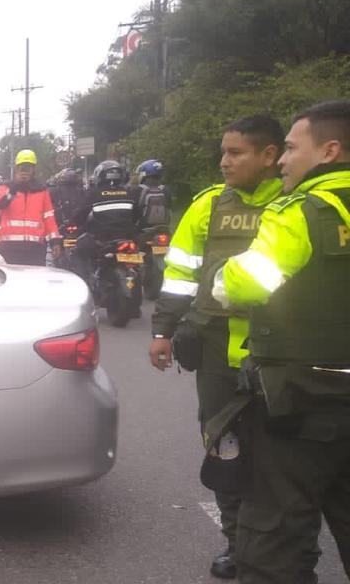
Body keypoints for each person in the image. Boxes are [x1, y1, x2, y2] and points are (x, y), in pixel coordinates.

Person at [214, 100, 350, 584]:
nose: (285, 160)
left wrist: (223, 280)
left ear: (330, 150)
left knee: (274, 542)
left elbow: (244, 283)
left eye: (293, 148)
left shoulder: (300, 212)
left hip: (303, 405)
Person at [148, 115, 288, 580]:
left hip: (278, 355)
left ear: (269, 156)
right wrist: (162, 332)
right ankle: (236, 542)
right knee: (224, 448)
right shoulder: (208, 205)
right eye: (223, 152)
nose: (224, 162)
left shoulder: (295, 206)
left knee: (280, 453)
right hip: (214, 354)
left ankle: (276, 542)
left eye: (236, 153)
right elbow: (180, 274)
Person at [0, 150, 61, 266]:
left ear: (34, 169)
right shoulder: (5, 187)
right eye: (22, 167)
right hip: (9, 247)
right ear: (17, 168)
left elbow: (49, 218)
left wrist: (55, 241)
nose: (25, 171)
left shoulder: (42, 190)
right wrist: (13, 189)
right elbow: (0, 205)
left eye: (28, 167)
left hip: (35, 248)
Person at [137, 159, 173, 228]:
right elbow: (170, 209)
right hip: (163, 228)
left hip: (143, 228)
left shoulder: (139, 190)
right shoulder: (165, 189)